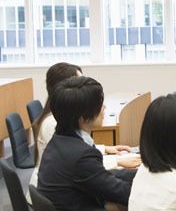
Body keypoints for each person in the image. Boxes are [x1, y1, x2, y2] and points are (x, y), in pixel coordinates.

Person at [36, 76, 136, 211]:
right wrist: (153, 184)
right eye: (100, 105)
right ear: (82, 118)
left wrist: (141, 175)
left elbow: (103, 178)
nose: (104, 109)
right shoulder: (81, 155)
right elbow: (122, 193)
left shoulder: (61, 141)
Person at [28, 62, 137, 203]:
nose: (104, 108)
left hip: (63, 198)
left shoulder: (63, 131)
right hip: (69, 204)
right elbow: (81, 163)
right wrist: (118, 160)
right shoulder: (53, 125)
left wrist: (108, 151)